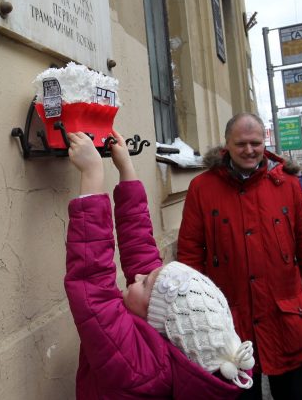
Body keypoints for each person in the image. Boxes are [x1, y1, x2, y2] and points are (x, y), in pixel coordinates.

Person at [64, 130, 254, 399]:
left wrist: (92, 176)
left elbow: (92, 283)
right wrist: (127, 171)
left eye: (145, 282)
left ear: (157, 318)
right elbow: (142, 252)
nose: (139, 275)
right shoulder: (171, 336)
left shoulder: (137, 366)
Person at [178, 112, 302, 400]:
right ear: (226, 144)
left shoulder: (288, 185)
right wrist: (196, 318)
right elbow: (190, 256)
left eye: (255, 142)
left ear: (264, 142)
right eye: (241, 144)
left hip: (285, 320)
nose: (249, 150)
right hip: (232, 327)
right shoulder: (202, 188)